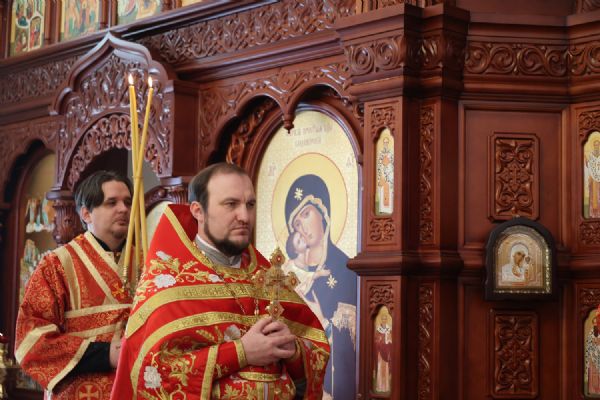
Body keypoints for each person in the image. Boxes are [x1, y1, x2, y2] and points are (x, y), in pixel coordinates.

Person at [111, 162, 329, 399]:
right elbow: (154, 373)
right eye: (231, 204)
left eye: (250, 205)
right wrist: (241, 352)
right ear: (198, 211)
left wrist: (293, 350)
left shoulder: (268, 275)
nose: (244, 216)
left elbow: (315, 349)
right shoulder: (170, 281)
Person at [15, 170, 135, 400]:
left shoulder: (146, 262)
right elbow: (31, 340)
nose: (123, 209)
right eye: (112, 202)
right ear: (86, 213)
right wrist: (105, 354)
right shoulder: (57, 265)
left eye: (128, 202)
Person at [284, 174, 357, 399]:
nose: (303, 227)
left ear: (323, 211)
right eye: (297, 223)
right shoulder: (289, 276)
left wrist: (322, 322)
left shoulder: (347, 271)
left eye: (306, 214)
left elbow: (353, 346)